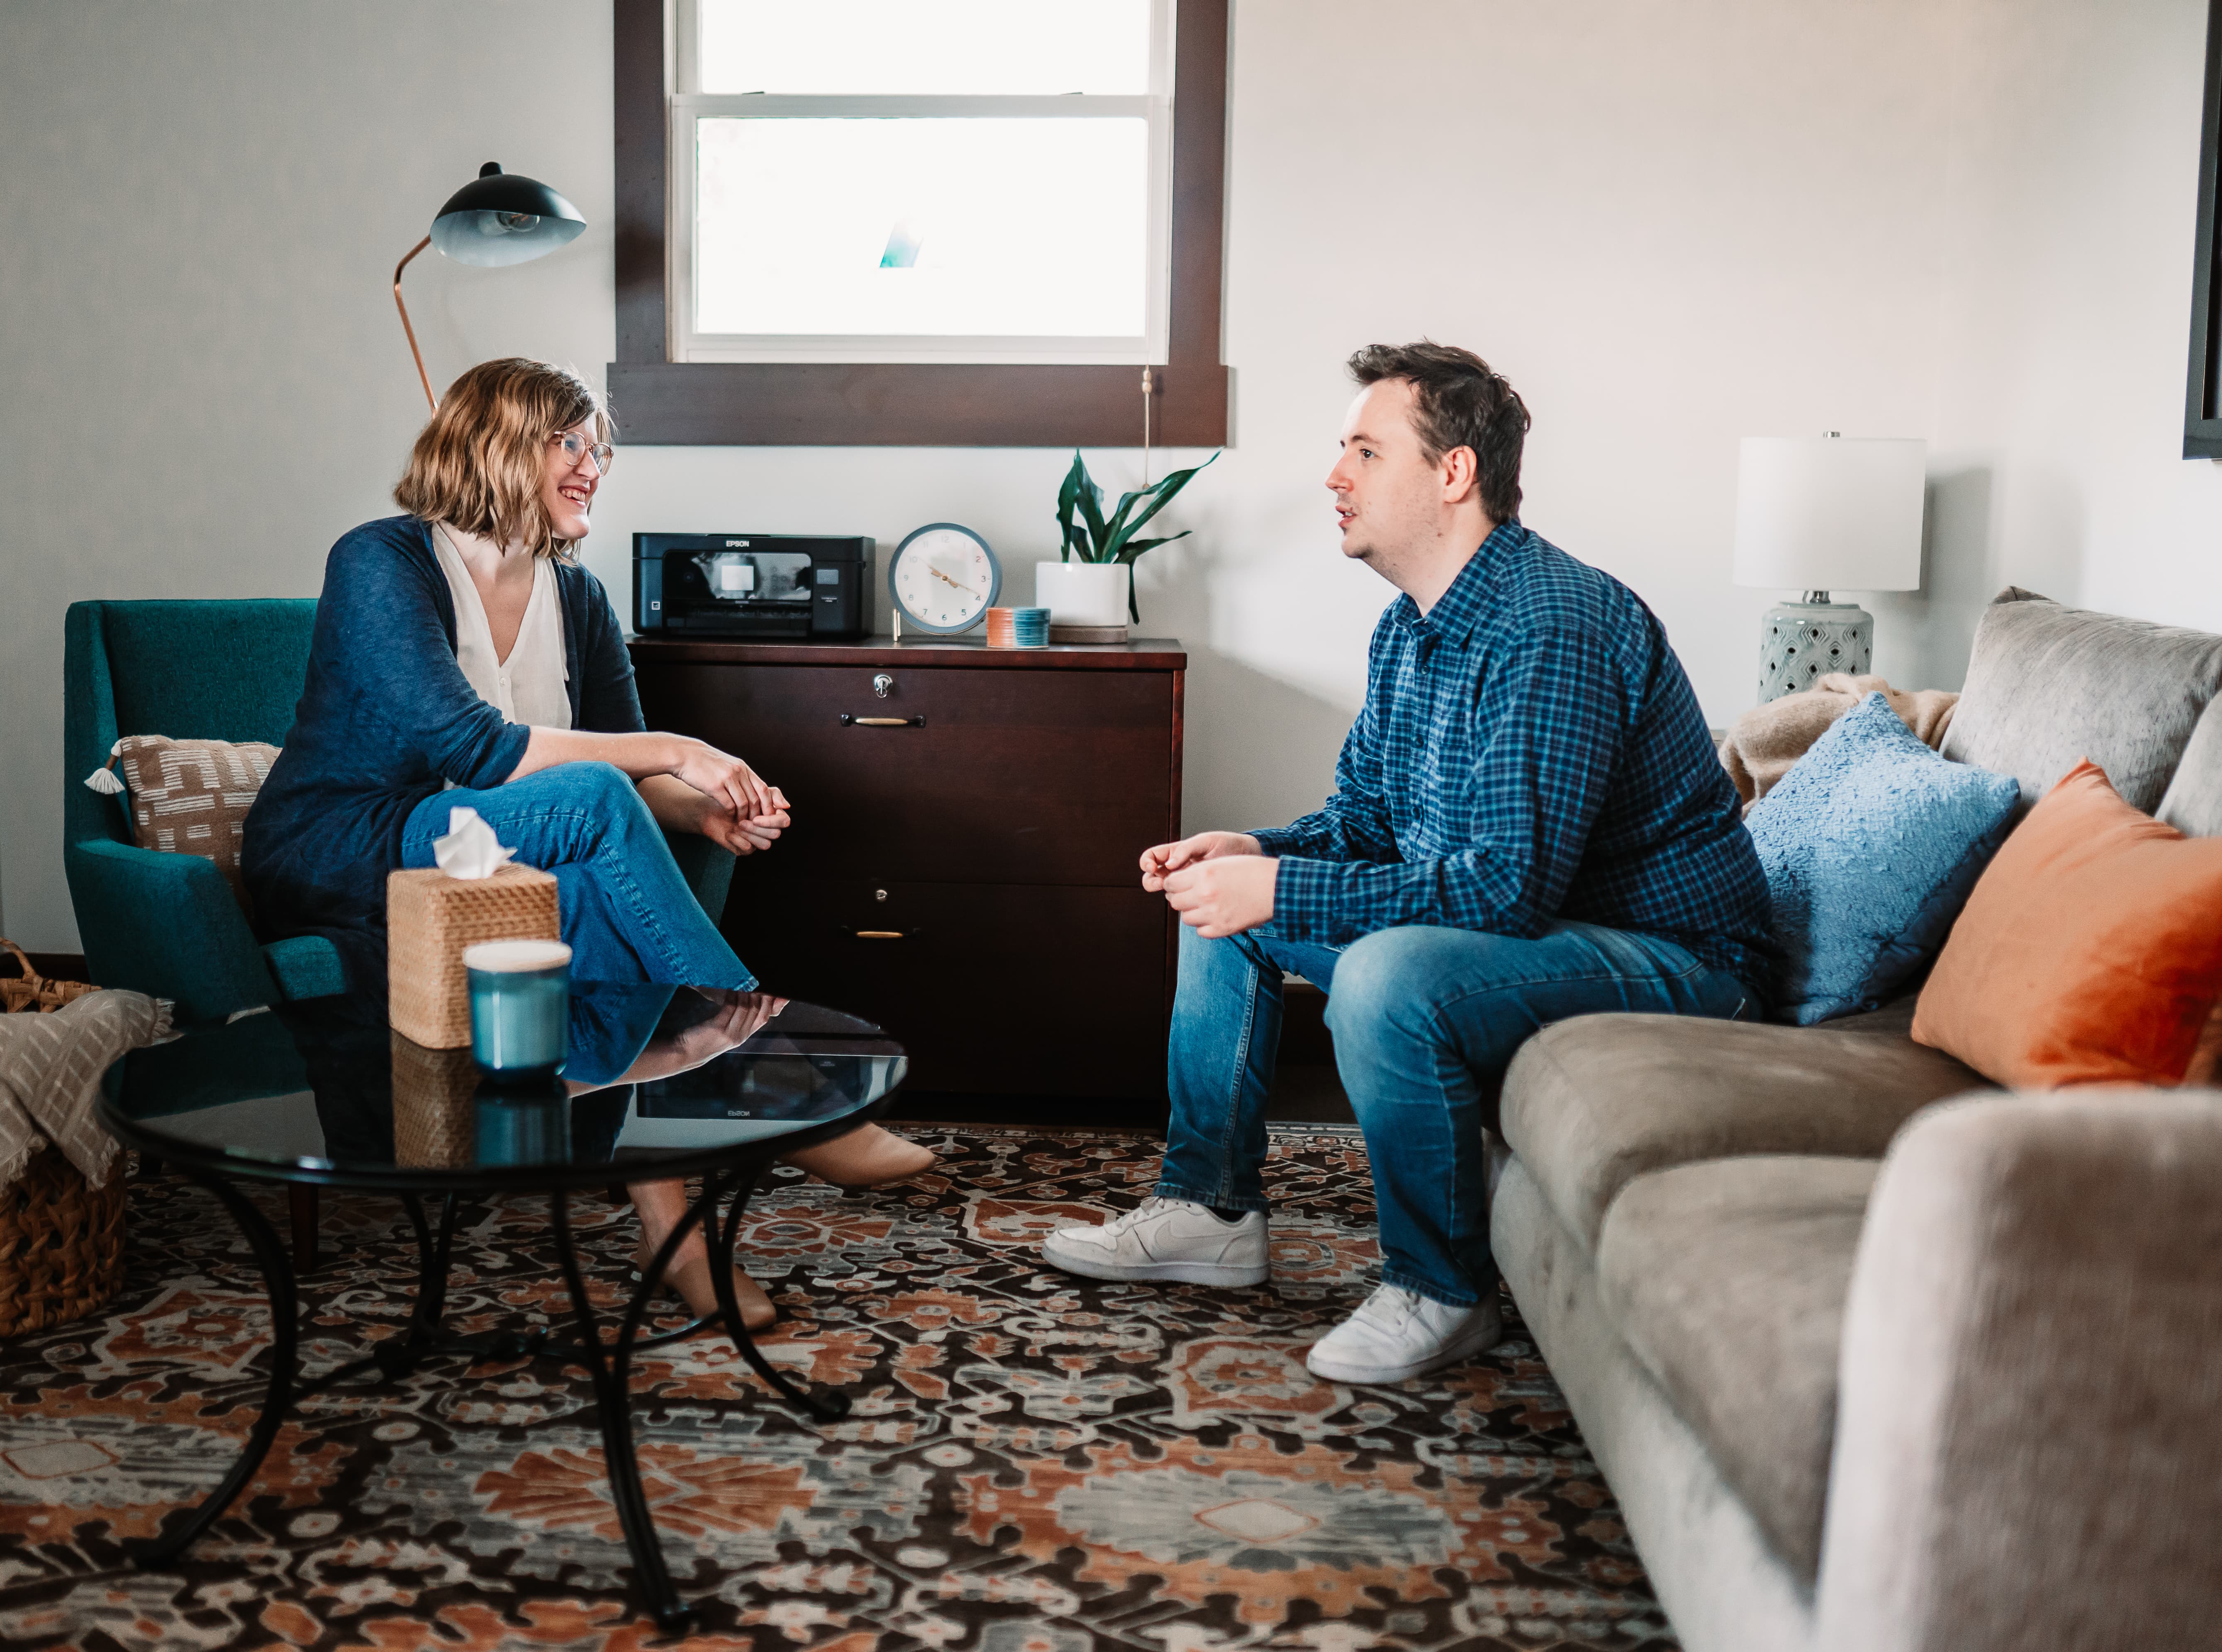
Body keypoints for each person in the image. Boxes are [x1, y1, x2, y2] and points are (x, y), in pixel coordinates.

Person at [1041, 342, 1774, 1385]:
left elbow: (1501, 889)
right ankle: (1210, 1208)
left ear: (1453, 473)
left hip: (1686, 961)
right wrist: (1255, 853)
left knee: (1389, 974)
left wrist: (1284, 884)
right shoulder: (1410, 630)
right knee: (1220, 901)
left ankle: (1442, 1287)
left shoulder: (1551, 623)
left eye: (1366, 450)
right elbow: (1368, 822)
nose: (1335, 475)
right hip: (1558, 932)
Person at [245, 356, 931, 1327]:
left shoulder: (581, 598)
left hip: (494, 847)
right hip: (354, 839)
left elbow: (621, 790)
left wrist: (703, 812)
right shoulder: (381, 560)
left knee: (605, 883)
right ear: (495, 446)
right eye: (569, 442)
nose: (592, 466)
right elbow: (472, 749)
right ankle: (774, 1077)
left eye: (597, 447)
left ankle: (676, 1235)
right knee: (598, 809)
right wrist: (683, 751)